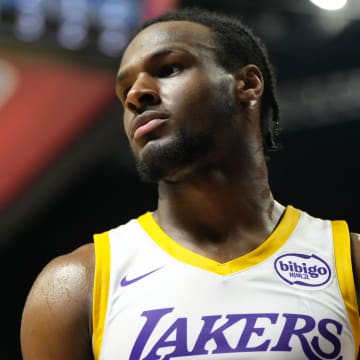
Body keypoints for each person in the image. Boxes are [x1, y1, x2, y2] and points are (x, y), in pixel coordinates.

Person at [20, 6, 360, 360]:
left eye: (169, 69)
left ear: (247, 83)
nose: (137, 95)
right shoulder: (75, 286)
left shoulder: (348, 261)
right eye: (125, 92)